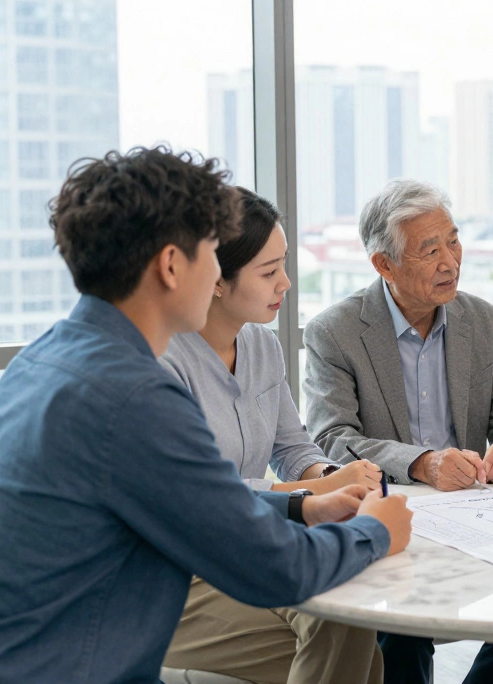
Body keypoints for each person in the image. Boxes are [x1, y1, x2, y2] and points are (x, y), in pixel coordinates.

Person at [0, 147, 413, 684]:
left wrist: (303, 510)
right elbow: (272, 568)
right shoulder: (136, 394)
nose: (215, 273)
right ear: (170, 265)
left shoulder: (49, 357)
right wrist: (375, 531)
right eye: (212, 251)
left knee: (360, 661)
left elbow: (200, 502)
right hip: (63, 664)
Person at [303, 178, 493, 684]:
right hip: (390, 515)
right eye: (428, 250)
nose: (450, 262)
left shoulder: (481, 320)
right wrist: (421, 463)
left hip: (476, 515)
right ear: (383, 265)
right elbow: (331, 437)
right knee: (401, 627)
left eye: (453, 241)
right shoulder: (336, 331)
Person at [161, 187, 388, 683]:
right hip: (179, 575)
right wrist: (315, 493)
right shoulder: (165, 363)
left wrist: (333, 476)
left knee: (357, 639)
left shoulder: (262, 344)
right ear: (215, 280)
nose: (285, 282)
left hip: (249, 544)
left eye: (283, 264)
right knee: (346, 636)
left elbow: (292, 448)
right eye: (269, 272)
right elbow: (204, 498)